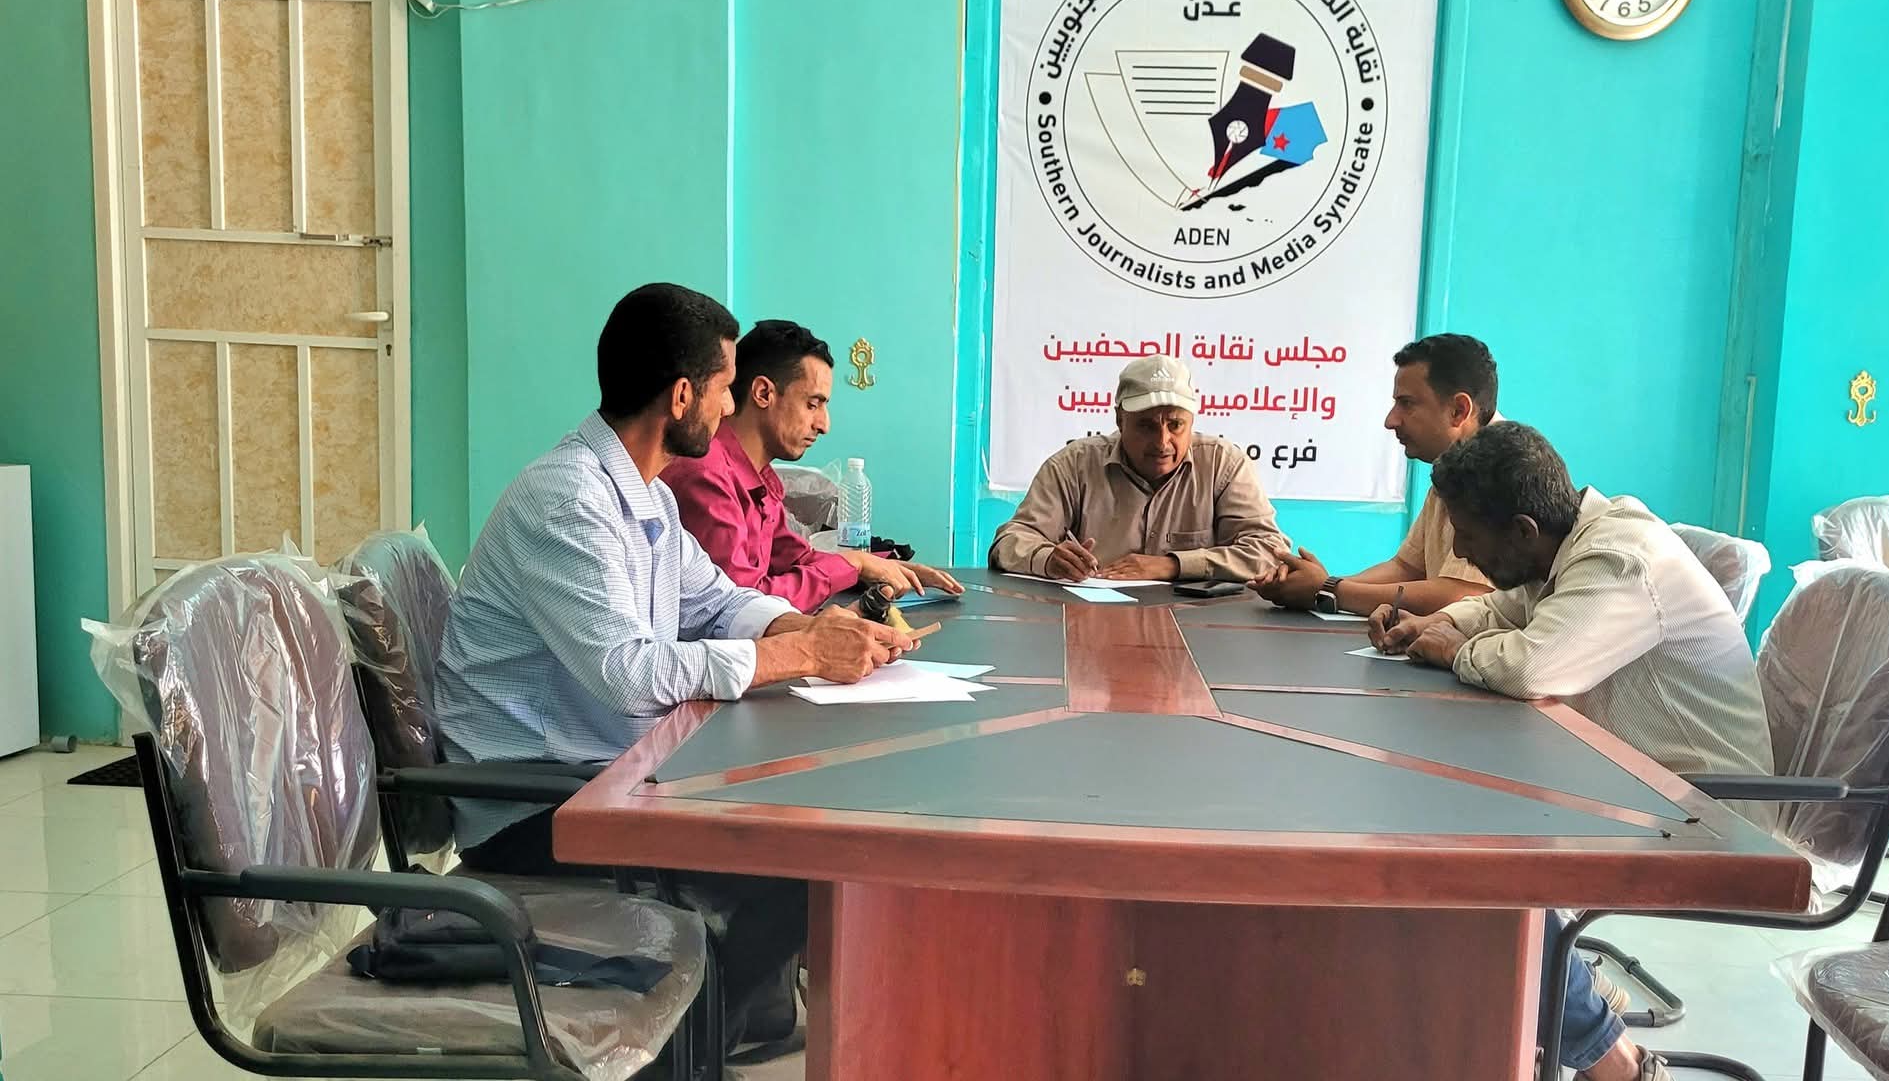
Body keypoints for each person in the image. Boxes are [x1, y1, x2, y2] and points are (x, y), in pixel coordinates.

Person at [437, 283, 920, 1054]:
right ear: (684, 395)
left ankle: (696, 1040)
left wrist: (812, 626)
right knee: (799, 867)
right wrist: (799, 654)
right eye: (727, 388)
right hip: (538, 807)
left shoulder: (647, 497)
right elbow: (628, 672)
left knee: (798, 851)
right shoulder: (569, 501)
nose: (731, 409)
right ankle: (680, 1052)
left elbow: (718, 600)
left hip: (605, 774)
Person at [1372, 421, 1773, 1081]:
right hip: (1626, 775)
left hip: (1703, 808)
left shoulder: (1619, 558)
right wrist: (1441, 622)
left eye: (1468, 537)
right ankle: (1558, 989)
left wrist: (1455, 650)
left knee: (1474, 859)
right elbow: (1504, 609)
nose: (1461, 555)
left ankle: (1613, 1062)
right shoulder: (1565, 544)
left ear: (1522, 530)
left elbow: (1532, 665)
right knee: (1456, 832)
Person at [660, 319, 962, 612]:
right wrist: (853, 564)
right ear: (764, 393)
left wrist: (879, 566)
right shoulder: (706, 475)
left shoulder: (757, 476)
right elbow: (742, 606)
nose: (824, 425)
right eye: (812, 404)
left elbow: (794, 558)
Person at [1251, 333, 1498, 615]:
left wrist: (1327, 589)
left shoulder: (1501, 470)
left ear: (1458, 410)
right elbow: (1407, 568)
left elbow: (1463, 596)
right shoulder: (1454, 461)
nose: (1390, 420)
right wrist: (1314, 585)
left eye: (1407, 403)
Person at [989, 354, 1290, 582]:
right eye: (1146, 426)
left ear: (1192, 422)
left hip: (1199, 629)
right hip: (1093, 624)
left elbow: (1270, 551)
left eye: (1175, 424)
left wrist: (1173, 565)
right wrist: (1047, 559)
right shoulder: (1074, 465)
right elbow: (1009, 542)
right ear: (1120, 420)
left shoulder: (1223, 465)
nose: (1162, 442)